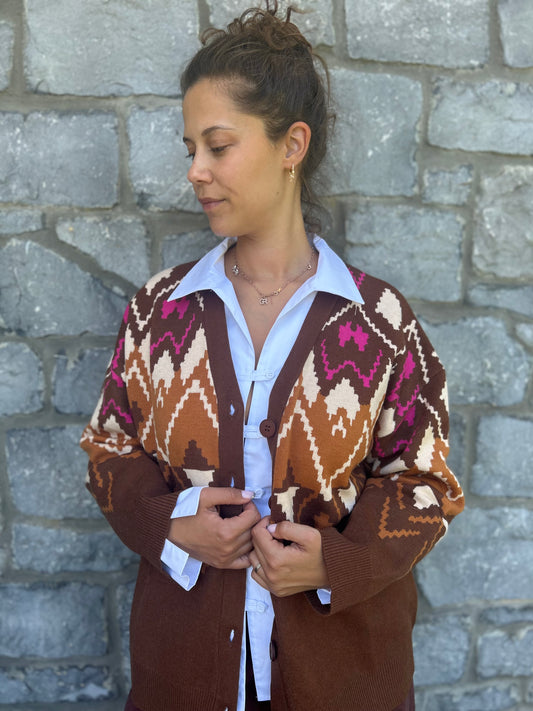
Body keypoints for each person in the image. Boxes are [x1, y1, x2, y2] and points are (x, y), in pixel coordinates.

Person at [80, 3, 464, 710]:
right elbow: (108, 448)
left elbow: (426, 482)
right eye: (190, 148)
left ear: (292, 145)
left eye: (218, 146)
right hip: (184, 674)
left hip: (343, 680)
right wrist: (169, 523)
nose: (196, 171)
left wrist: (336, 563)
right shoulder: (160, 310)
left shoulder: (378, 321)